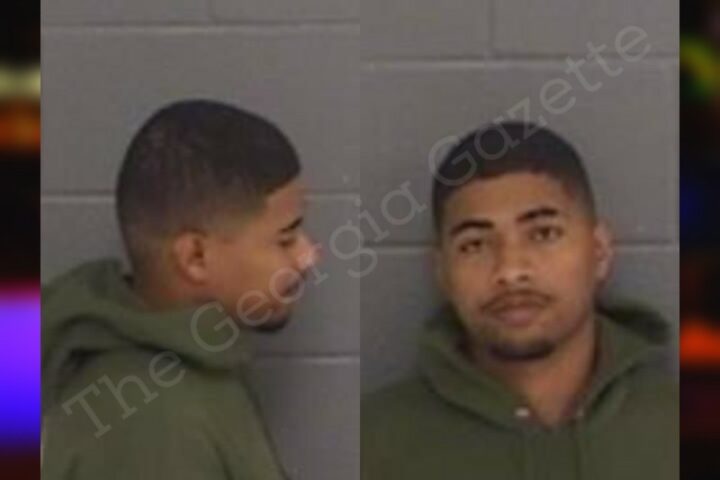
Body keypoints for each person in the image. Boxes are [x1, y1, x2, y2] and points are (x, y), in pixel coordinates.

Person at [362, 122, 678, 480]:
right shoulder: (372, 446)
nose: (510, 270)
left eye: (543, 234)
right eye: (475, 245)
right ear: (442, 272)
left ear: (600, 252)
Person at [42, 100, 320, 479]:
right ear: (195, 257)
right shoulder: (155, 427)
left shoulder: (190, 368)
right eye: (286, 239)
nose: (308, 256)